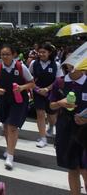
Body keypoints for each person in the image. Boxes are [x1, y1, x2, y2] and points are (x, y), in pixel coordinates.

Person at [0, 44, 35, 170]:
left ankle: (10, 156)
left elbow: (32, 83)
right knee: (5, 126)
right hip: (3, 99)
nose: (5, 57)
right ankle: (9, 147)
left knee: (12, 127)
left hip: (18, 100)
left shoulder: (20, 66)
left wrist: (22, 88)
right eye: (3, 54)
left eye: (7, 54)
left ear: (13, 54)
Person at [49, 63, 87, 195]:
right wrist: (60, 103)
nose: (73, 65)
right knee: (72, 168)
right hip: (66, 130)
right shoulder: (60, 82)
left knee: (85, 170)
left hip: (85, 132)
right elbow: (51, 106)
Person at [30, 43, 62, 148]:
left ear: (49, 53)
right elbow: (29, 79)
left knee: (51, 116)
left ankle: (51, 126)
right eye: (40, 52)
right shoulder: (33, 63)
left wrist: (47, 89)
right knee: (40, 114)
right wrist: (37, 89)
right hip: (37, 92)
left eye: (44, 52)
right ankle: (43, 138)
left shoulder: (56, 64)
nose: (41, 54)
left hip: (52, 93)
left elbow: (58, 80)